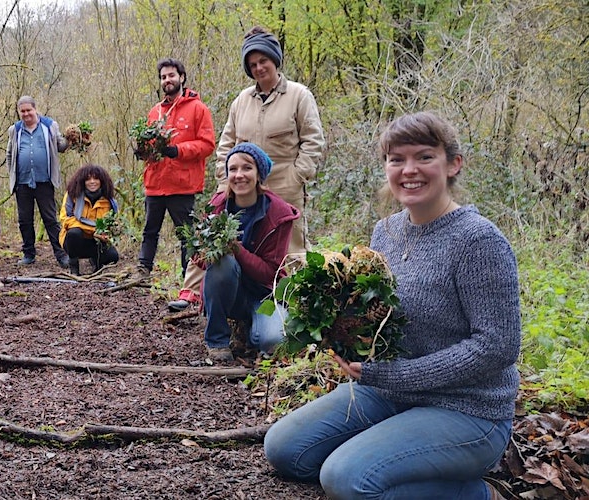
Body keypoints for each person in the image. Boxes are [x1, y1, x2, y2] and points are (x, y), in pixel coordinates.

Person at [263, 112, 520, 500]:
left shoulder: (478, 242)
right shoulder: (387, 231)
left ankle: (478, 494)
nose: (408, 170)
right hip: (387, 393)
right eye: (396, 159)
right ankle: (401, 459)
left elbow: (497, 346)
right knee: (284, 449)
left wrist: (396, 375)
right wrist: (340, 331)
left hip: (468, 410)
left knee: (345, 478)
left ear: (453, 164)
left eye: (424, 157)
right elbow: (376, 313)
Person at [168, 26, 325, 311]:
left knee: (291, 247)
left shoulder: (299, 95)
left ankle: (295, 307)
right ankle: (195, 293)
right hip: (240, 183)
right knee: (222, 236)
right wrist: (224, 178)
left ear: (275, 60)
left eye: (263, 61)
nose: (258, 68)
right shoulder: (241, 101)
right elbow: (226, 144)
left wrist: (297, 174)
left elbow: (314, 142)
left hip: (284, 182)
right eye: (252, 64)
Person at [199, 143, 297, 363]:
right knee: (223, 262)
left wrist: (237, 248)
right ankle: (217, 340)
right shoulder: (216, 207)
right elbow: (200, 260)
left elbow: (270, 274)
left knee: (274, 340)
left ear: (259, 174)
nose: (239, 175)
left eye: (247, 168)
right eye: (232, 169)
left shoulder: (278, 213)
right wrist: (207, 253)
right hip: (229, 290)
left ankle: (249, 329)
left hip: (263, 294)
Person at [135, 58, 215, 280]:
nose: (167, 80)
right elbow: (150, 145)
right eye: (163, 77)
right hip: (155, 183)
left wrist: (178, 150)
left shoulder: (198, 108)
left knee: (186, 235)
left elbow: (207, 144)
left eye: (171, 75)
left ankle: (187, 277)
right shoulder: (155, 112)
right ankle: (143, 271)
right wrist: (142, 151)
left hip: (183, 184)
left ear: (182, 77)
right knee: (150, 231)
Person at [6, 96, 71, 269]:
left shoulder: (50, 126)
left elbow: (60, 146)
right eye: (23, 111)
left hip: (44, 181)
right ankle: (29, 254)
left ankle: (61, 254)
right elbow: (10, 154)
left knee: (50, 219)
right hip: (22, 182)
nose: (26, 114)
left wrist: (73, 138)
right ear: (19, 112)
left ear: (35, 109)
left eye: (29, 110)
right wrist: (12, 174)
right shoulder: (15, 129)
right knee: (25, 220)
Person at [58, 164, 120, 276]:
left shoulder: (109, 200)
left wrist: (107, 235)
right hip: (74, 241)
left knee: (113, 257)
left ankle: (96, 263)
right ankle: (74, 266)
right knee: (74, 232)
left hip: (96, 242)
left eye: (96, 178)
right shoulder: (72, 195)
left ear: (102, 181)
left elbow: (112, 224)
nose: (92, 182)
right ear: (82, 181)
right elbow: (65, 220)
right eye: (88, 179)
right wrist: (94, 231)